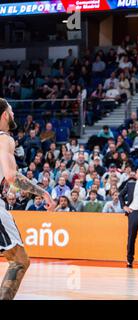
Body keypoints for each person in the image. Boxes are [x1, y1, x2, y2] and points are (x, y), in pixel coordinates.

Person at [0, 98, 56, 300]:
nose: (14, 115)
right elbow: (11, 176)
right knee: (19, 261)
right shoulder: (5, 138)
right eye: (12, 111)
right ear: (5, 115)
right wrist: (43, 192)